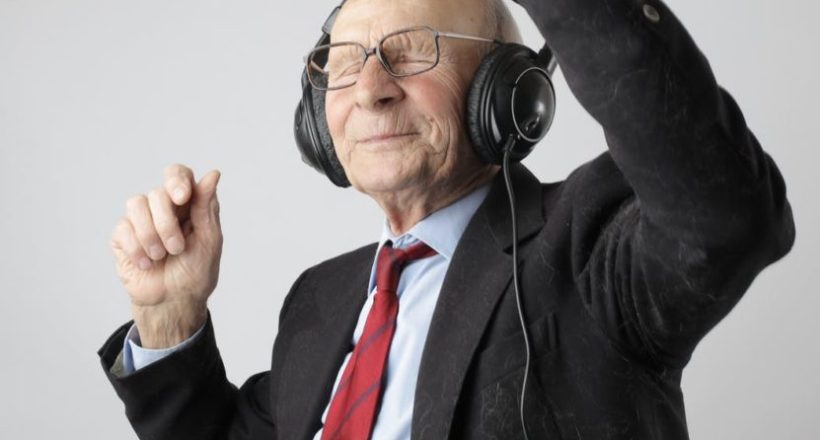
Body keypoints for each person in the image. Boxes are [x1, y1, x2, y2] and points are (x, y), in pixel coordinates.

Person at [99, 0, 795, 438]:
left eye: (411, 51)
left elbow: (724, 216)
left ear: (511, 97)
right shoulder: (319, 300)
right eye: (343, 62)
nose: (370, 89)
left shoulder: (588, 243)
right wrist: (169, 321)